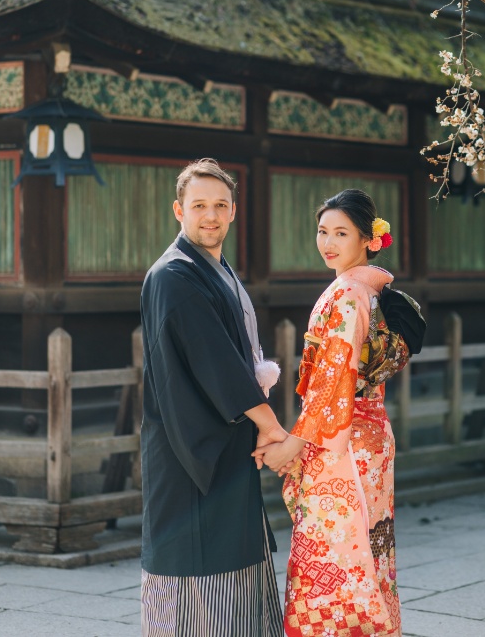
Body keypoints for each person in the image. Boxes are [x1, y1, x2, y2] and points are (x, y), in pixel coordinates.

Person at [255, 188, 424, 637]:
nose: (328, 242)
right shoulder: (363, 290)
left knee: (332, 558)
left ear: (369, 240)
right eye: (322, 231)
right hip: (367, 435)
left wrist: (293, 443)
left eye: (341, 233)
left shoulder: (349, 295)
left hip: (344, 441)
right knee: (366, 553)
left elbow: (334, 382)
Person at [139, 158, 284, 637]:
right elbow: (216, 362)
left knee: (231, 558)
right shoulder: (173, 275)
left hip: (224, 439)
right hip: (190, 445)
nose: (211, 215)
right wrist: (271, 427)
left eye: (220, 205)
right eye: (199, 205)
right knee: (190, 567)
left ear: (234, 211)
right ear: (178, 210)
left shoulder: (217, 270)